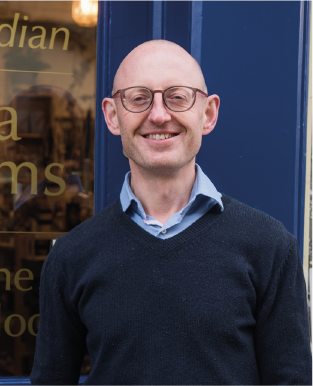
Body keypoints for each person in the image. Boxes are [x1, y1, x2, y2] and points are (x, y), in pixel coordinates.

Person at [30, 40, 313, 385]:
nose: (159, 115)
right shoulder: (70, 257)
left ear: (208, 113)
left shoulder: (269, 247)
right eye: (138, 98)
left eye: (177, 97)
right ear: (112, 115)